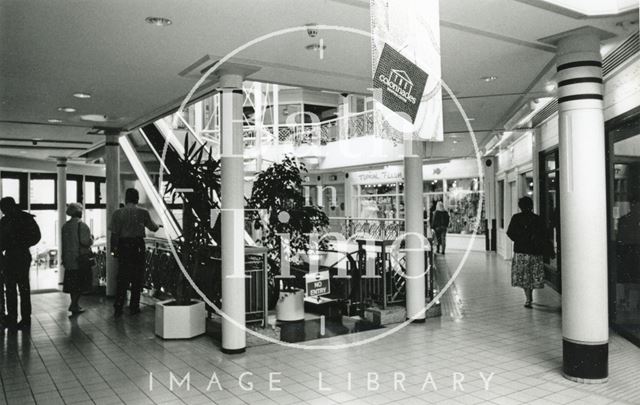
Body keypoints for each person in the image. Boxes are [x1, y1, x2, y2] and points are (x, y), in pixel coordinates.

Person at [110, 188, 160, 316]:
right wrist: (158, 225)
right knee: (137, 277)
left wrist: (114, 250)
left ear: (125, 198)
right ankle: (134, 306)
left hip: (123, 246)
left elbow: (114, 234)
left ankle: (118, 306)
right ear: (137, 199)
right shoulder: (143, 213)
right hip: (138, 246)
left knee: (122, 277)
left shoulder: (117, 213)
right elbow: (153, 228)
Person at [0, 197, 41, 329]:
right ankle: (25, 319)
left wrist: (8, 246)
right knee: (23, 288)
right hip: (22, 255)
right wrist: (23, 244)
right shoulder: (26, 218)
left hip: (11, 256)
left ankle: (12, 318)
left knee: (11, 289)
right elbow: (36, 236)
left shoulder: (5, 221)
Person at [507, 196, 546, 308]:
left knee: (523, 276)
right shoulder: (537, 219)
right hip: (534, 251)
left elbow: (510, 232)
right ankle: (530, 294)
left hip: (521, 251)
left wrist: (520, 239)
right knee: (533, 275)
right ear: (531, 206)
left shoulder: (516, 218)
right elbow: (543, 234)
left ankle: (528, 298)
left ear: (520, 207)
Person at [61, 203, 94, 314]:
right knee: (80, 282)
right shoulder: (82, 225)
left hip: (69, 259)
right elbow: (86, 242)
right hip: (80, 258)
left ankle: (74, 304)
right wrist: (92, 239)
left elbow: (64, 244)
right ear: (79, 212)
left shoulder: (65, 226)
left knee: (72, 283)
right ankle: (74, 304)